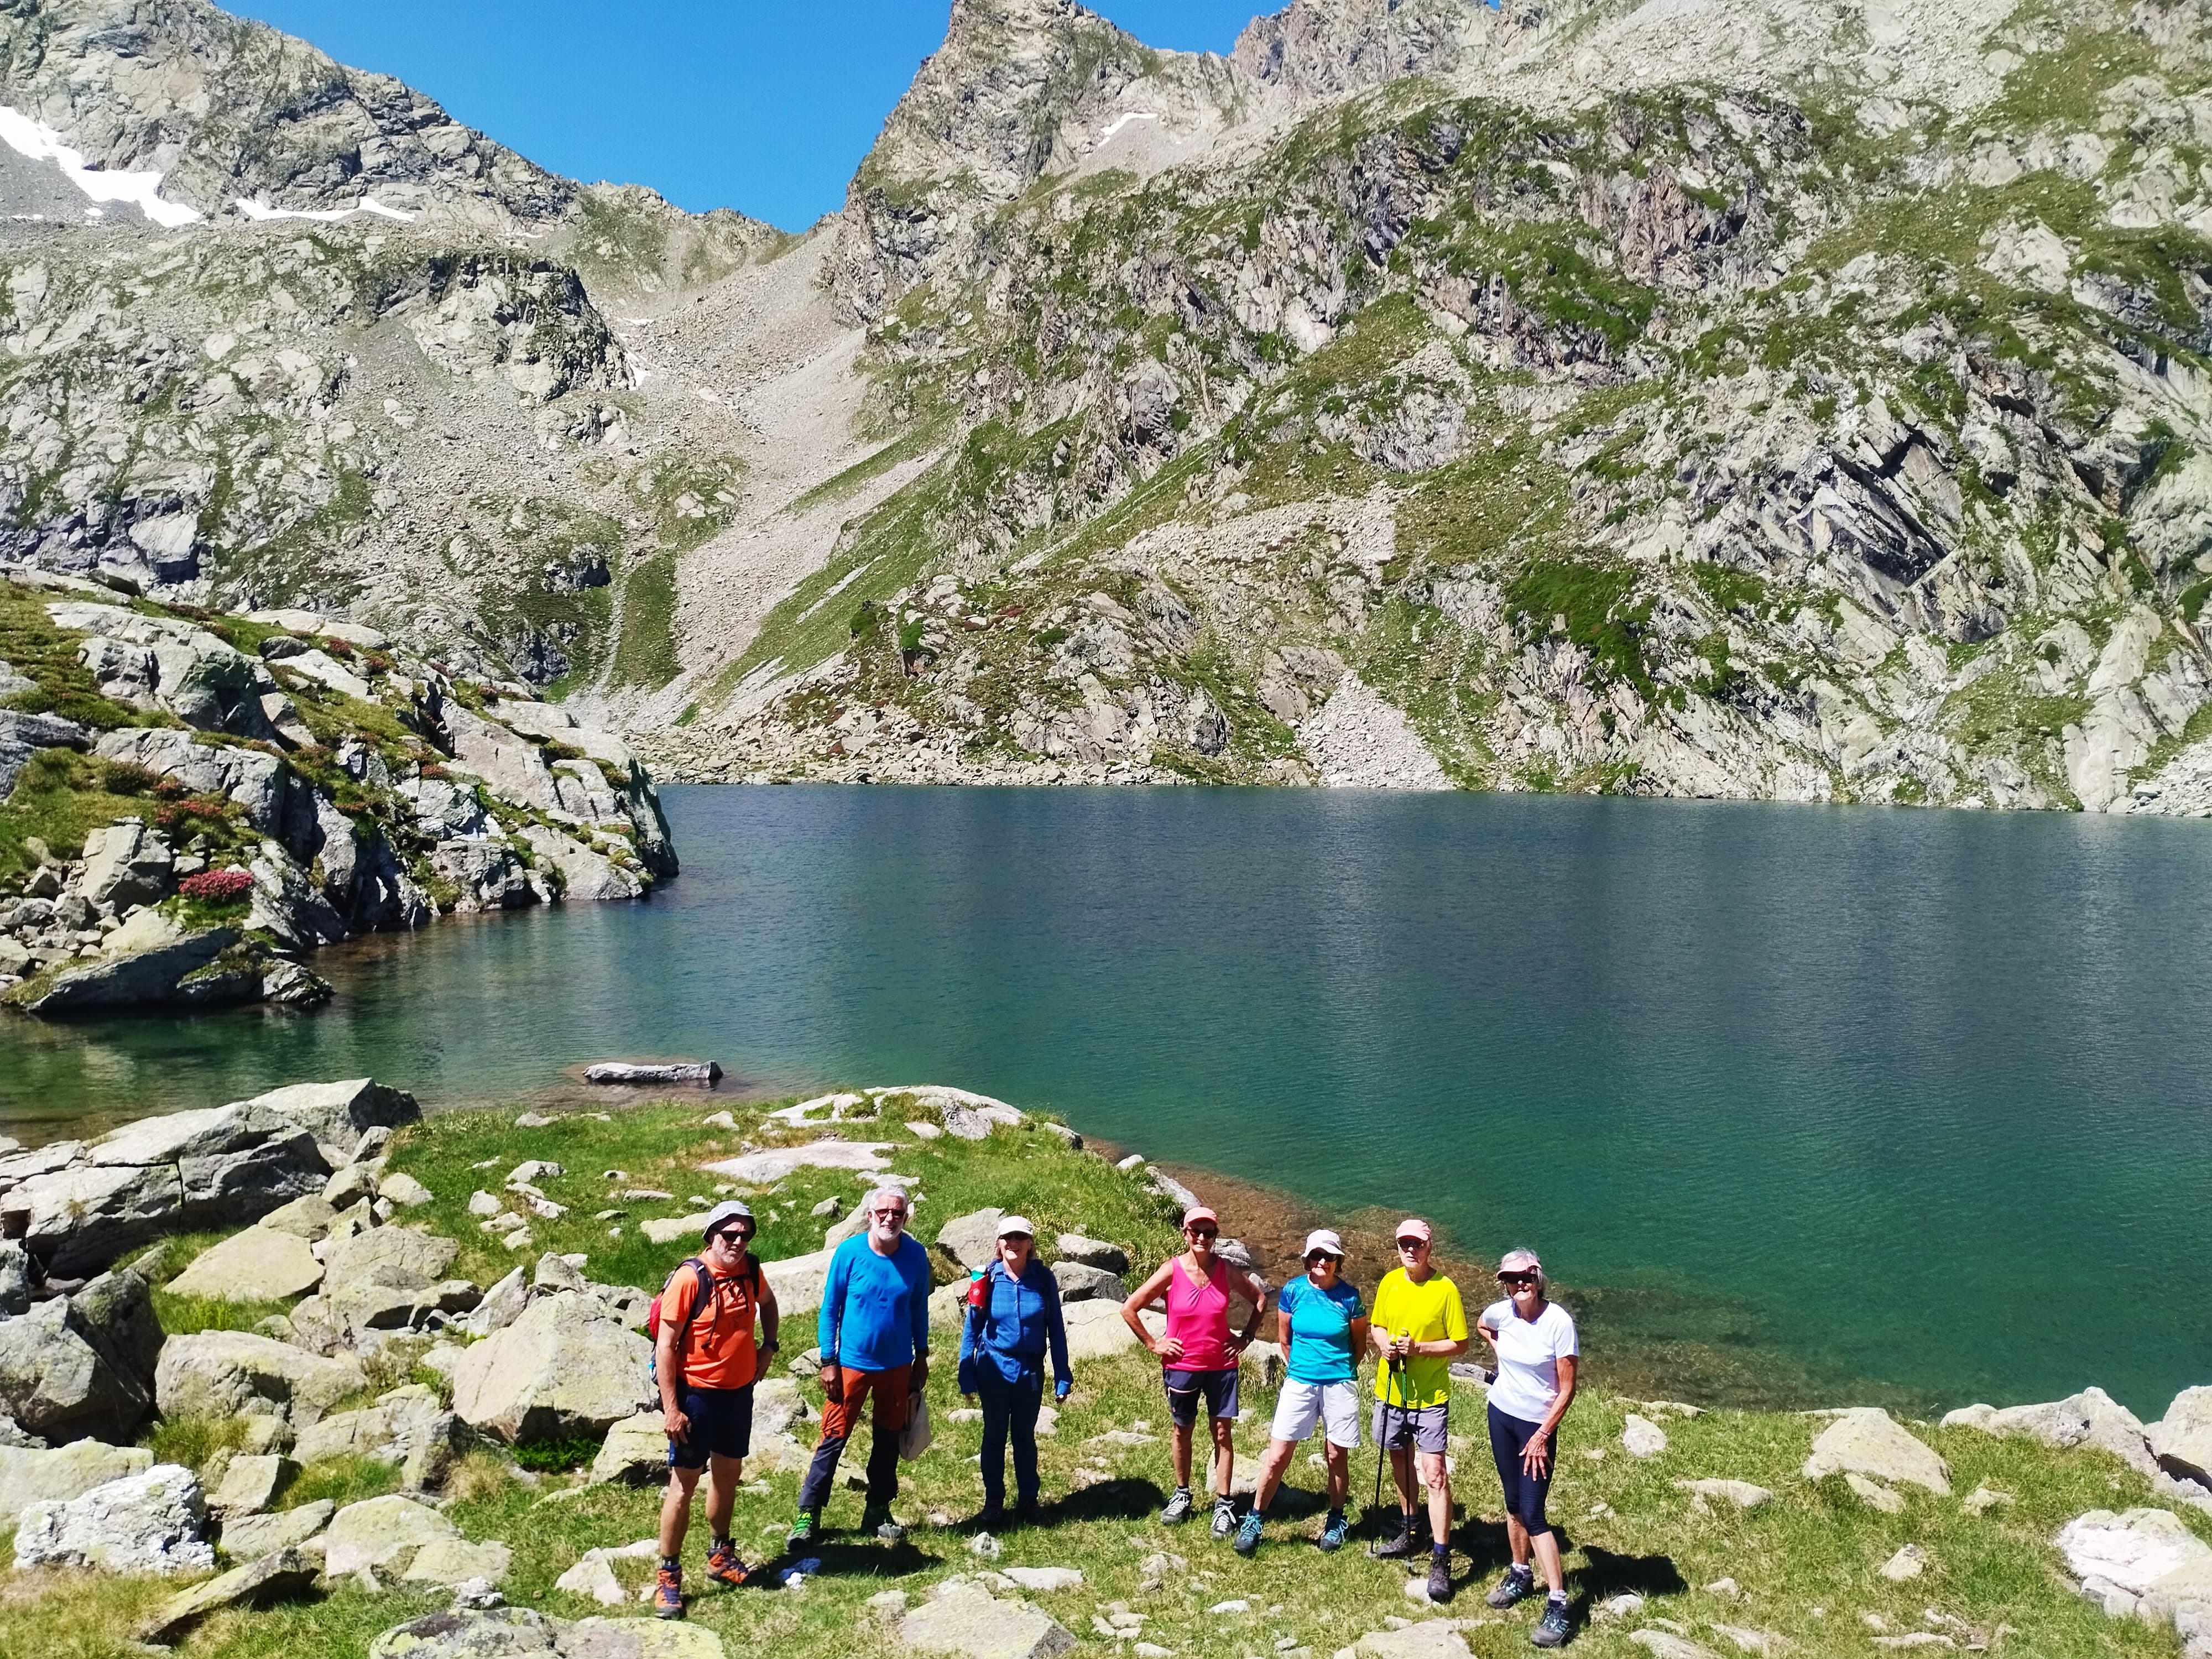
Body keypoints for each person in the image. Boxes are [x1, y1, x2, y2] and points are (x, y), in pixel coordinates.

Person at [651, 1200, 780, 1619]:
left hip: (738, 1395)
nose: (738, 1242)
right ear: (711, 1236)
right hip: (696, 1399)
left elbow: (769, 1304)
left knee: (727, 1477)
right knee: (683, 1485)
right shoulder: (690, 1279)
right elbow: (666, 1348)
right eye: (730, 1235)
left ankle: (720, 1555)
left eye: (745, 1235)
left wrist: (769, 1347)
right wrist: (672, 1409)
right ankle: (669, 1575)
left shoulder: (750, 1270)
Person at [792, 1185, 932, 1545]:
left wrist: (922, 1355)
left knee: (887, 1440)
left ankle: (878, 1510)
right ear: (870, 1215)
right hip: (851, 1364)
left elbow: (919, 1308)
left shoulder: (916, 1256)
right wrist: (828, 1360)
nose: (890, 1219)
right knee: (833, 1438)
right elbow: (830, 1309)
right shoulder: (849, 1253)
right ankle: (808, 1514)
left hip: (897, 1365)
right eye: (883, 1212)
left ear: (906, 1217)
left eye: (897, 1213)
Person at [1120, 1204, 1269, 1538]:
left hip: (1222, 1366)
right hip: (1182, 1366)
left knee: (1222, 1434)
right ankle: (1182, 1493)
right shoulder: (1171, 1270)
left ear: (1216, 1236)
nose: (1202, 1237)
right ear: (1185, 1233)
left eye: (1209, 1232)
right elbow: (1130, 1308)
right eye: (1196, 1231)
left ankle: (1224, 1504)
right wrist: (1153, 1343)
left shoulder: (1226, 1270)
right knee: (1182, 1430)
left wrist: (1246, 1337)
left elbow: (1260, 1300)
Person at [1233, 1229, 1367, 1557]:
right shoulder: (1293, 1291)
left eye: (1329, 1256)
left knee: (1336, 1455)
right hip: (1300, 1382)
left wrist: (1336, 1371)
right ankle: (1255, 1518)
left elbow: (1359, 1346)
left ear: (1338, 1261)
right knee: (1278, 1454)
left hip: (1339, 1383)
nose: (1323, 1261)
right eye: (1317, 1255)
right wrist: (1303, 1369)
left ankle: (1336, 1519)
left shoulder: (1350, 1297)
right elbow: (1285, 1341)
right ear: (1307, 1259)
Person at [1477, 1249, 1579, 1650]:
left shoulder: (1558, 1322)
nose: (1519, 1284)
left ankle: (1559, 1604)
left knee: (1534, 1513)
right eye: (1511, 1278)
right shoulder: (1502, 1313)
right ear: (1503, 1283)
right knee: (1513, 1502)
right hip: (1501, 1414)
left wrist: (1543, 1434)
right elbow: (1482, 1324)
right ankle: (1520, 1573)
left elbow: (1567, 1388)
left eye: (1526, 1276)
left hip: (1537, 1427)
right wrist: (1500, 1350)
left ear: (1538, 1277)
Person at [1368, 1218, 1470, 1604]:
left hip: (1430, 1397)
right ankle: (1412, 1529)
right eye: (1404, 1244)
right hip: (1391, 1389)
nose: (1410, 1250)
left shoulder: (1446, 1289)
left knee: (1435, 1473)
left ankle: (1441, 1557)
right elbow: (1377, 1325)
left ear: (1430, 1247)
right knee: (1397, 1456)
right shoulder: (1389, 1283)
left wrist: (1420, 1350)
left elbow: (1460, 1343)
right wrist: (1384, 1345)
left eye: (1418, 1244)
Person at [957, 1215, 1073, 1527]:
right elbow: (972, 1327)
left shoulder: (1044, 1279)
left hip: (1029, 1371)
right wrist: (966, 1373)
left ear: (1030, 1243)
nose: (1014, 1243)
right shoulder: (986, 1278)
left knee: (1024, 1436)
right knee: (994, 1434)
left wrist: (1062, 1375)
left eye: (1020, 1237)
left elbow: (1056, 1329)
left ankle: (1028, 1502)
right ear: (999, 1243)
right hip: (993, 1368)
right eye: (1007, 1237)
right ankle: (994, 1501)